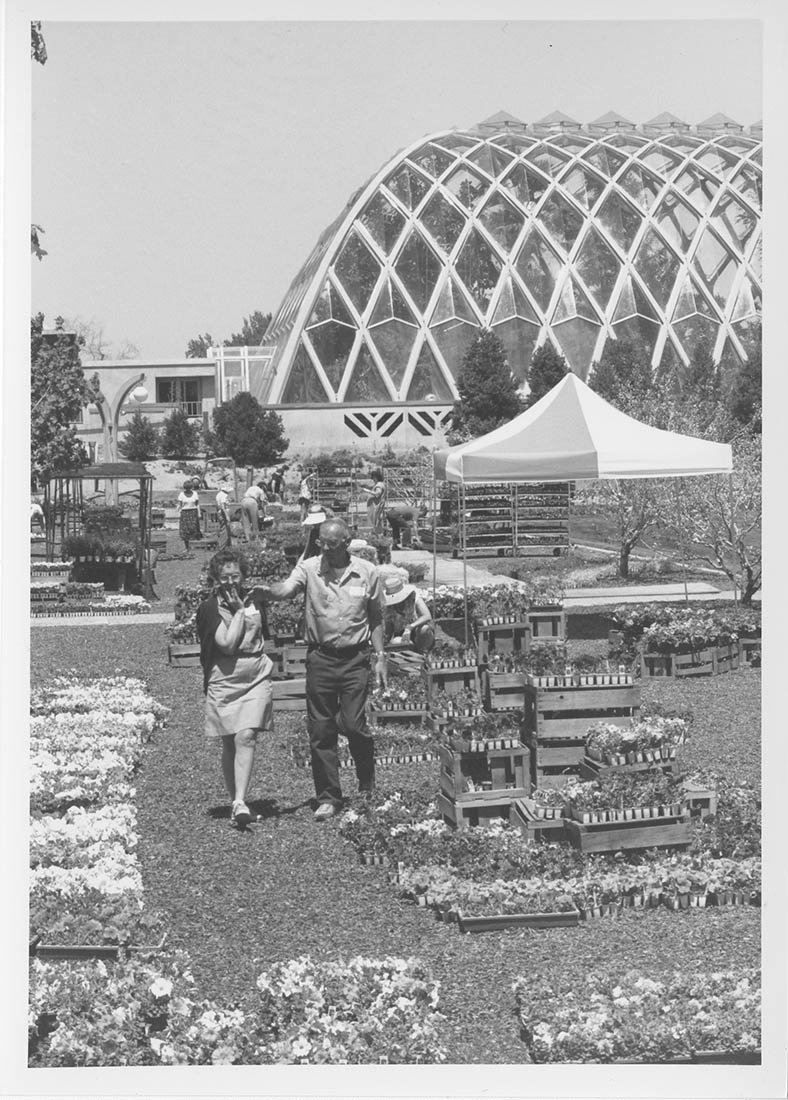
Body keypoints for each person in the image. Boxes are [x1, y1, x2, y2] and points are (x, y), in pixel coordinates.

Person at [263, 518, 386, 819]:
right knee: (320, 730)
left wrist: (381, 655)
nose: (326, 548)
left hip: (356, 659)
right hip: (320, 658)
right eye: (321, 543)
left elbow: (377, 617)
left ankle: (366, 784)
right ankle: (329, 796)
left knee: (355, 725)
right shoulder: (309, 569)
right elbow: (288, 589)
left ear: (347, 542)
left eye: (332, 543)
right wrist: (268, 592)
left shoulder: (367, 572)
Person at [196, 548, 274, 828]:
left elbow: (266, 633)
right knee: (230, 740)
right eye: (224, 576)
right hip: (225, 676)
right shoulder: (210, 607)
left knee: (247, 736)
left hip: (255, 673)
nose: (230, 581)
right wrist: (239, 612)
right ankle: (236, 802)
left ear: (243, 576)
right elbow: (226, 643)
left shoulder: (256, 601)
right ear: (216, 578)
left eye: (235, 575)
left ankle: (240, 800)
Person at [378, 564, 435, 652]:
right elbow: (389, 627)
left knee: (424, 629)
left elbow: (427, 616)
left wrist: (410, 627)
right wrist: (385, 641)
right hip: (402, 636)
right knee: (396, 642)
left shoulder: (414, 597)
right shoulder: (389, 606)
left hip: (416, 630)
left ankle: (423, 651)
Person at [177, 479, 202, 552]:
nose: (188, 490)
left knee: (193, 529)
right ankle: (187, 547)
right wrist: (178, 512)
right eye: (186, 488)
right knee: (185, 531)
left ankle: (194, 546)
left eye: (189, 488)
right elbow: (180, 505)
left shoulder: (195, 493)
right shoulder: (181, 494)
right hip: (185, 513)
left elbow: (197, 504)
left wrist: (199, 513)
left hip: (193, 512)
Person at [360, 469, 387, 534]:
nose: (373, 480)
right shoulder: (381, 484)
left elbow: (377, 493)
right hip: (377, 506)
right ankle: (379, 535)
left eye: (373, 478)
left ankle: (378, 535)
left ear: (376, 477)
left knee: (376, 522)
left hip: (376, 506)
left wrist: (367, 491)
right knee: (377, 521)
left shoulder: (379, 485)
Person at [215, 484, 232, 550]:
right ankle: (223, 545)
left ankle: (225, 544)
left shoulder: (218, 494)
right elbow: (223, 506)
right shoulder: (224, 496)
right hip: (223, 513)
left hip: (220, 512)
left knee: (223, 528)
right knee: (224, 529)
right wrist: (227, 516)